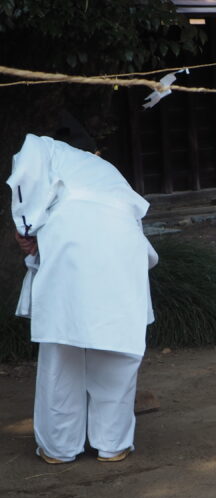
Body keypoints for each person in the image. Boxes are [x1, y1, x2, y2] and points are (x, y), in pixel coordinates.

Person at [7, 133, 158, 464]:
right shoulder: (102, 167)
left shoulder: (39, 146)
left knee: (63, 344)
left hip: (73, 238)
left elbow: (25, 180)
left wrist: (26, 228)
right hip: (124, 243)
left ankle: (59, 447)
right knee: (117, 342)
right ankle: (112, 442)